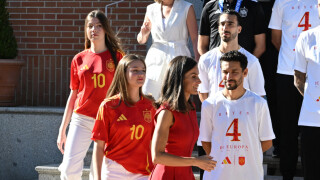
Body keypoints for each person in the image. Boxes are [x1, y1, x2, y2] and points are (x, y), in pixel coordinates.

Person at [57, 10, 124, 180]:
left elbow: (124, 92)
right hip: (82, 119)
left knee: (100, 173)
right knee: (68, 170)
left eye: (99, 26)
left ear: (106, 29)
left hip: (108, 120)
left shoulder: (117, 57)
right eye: (90, 26)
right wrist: (62, 128)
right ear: (86, 30)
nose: (94, 29)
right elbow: (73, 96)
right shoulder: (78, 59)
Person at [199, 51, 275, 180]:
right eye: (225, 72)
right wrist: (222, 157)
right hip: (217, 175)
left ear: (245, 73)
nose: (228, 77)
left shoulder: (259, 103)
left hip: (250, 175)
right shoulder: (209, 104)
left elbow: (267, 142)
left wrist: (248, 156)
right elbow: (206, 141)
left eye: (234, 72)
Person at [268, 0, 320, 179]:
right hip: (287, 71)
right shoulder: (281, 2)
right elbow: (276, 39)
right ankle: (287, 173)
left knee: (311, 131)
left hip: (315, 75)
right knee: (288, 127)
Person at [149, 56, 216, 180]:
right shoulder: (166, 112)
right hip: (166, 175)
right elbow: (157, 156)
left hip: (185, 174)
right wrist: (195, 161)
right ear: (180, 79)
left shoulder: (191, 107)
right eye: (193, 76)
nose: (199, 81)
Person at [91, 54, 155, 180]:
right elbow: (99, 147)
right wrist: (97, 178)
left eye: (143, 70)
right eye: (135, 70)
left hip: (143, 172)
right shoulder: (108, 106)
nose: (140, 74)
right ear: (123, 73)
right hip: (114, 170)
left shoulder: (151, 105)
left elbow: (155, 143)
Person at [137, 0, 200, 100]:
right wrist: (144, 32)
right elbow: (141, 40)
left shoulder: (186, 7)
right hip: (156, 58)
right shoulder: (151, 8)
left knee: (177, 96)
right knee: (150, 93)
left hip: (178, 56)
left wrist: (198, 60)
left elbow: (195, 38)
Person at [293, 3, 320, 178]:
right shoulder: (307, 37)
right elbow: (298, 79)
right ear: (318, 7)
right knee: (311, 172)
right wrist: (312, 99)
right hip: (312, 119)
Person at [198, 0, 266, 58]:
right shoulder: (209, 6)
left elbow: (260, 46)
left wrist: (246, 65)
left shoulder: (253, 6)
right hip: (215, 66)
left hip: (243, 68)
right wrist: (210, 63)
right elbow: (202, 46)